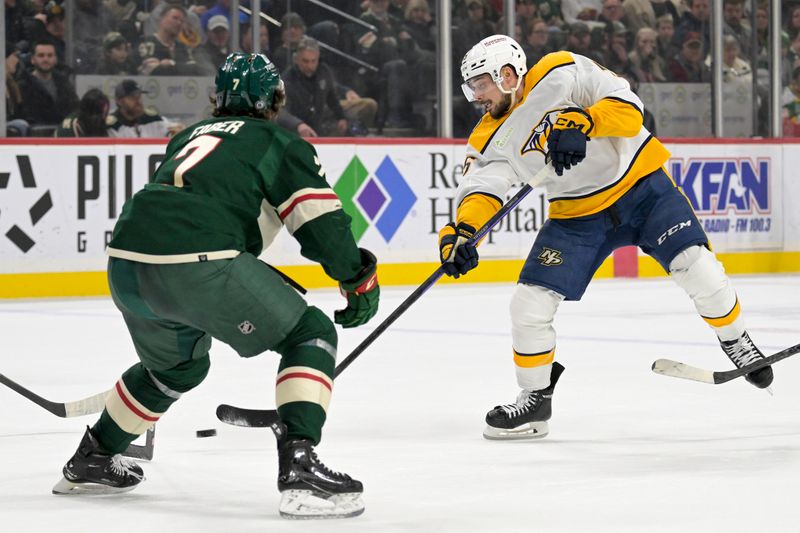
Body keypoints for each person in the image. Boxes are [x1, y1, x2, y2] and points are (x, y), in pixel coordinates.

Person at [52, 52, 380, 520]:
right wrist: (357, 276)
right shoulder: (278, 141)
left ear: (218, 98)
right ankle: (301, 466)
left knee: (174, 370)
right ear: (274, 99)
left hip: (125, 264)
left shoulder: (187, 137)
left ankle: (93, 457)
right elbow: (320, 223)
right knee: (310, 333)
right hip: (199, 263)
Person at [439, 35, 773, 441]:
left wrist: (584, 122)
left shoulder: (562, 70)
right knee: (528, 305)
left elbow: (630, 108)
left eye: (480, 84)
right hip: (577, 215)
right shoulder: (488, 137)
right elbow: (482, 189)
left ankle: (737, 341)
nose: (476, 96)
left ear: (506, 75)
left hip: (642, 188)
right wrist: (462, 233)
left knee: (697, 269)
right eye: (471, 86)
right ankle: (535, 398)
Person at [107, 79, 183, 138]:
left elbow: (175, 130)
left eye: (139, 96)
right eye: (132, 97)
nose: (138, 100)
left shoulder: (153, 119)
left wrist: (180, 133)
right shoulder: (112, 125)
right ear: (119, 101)